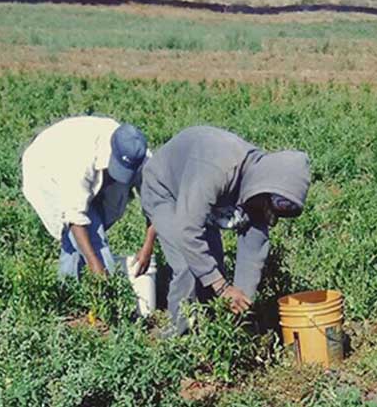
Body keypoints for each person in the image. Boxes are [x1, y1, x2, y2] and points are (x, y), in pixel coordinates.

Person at [140, 126, 310, 336]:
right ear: (266, 187)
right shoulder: (220, 169)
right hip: (165, 190)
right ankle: (178, 337)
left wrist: (239, 303)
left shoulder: (260, 190)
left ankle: (210, 326)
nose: (267, 212)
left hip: (196, 197)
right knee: (187, 265)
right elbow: (188, 231)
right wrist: (222, 288)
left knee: (212, 265)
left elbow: (252, 253)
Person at [21, 115, 156, 279]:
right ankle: (75, 293)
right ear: (111, 151)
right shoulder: (80, 160)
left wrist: (148, 247)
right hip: (46, 169)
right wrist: (96, 266)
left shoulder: (140, 154)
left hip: (85, 173)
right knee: (88, 237)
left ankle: (74, 289)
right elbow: (75, 217)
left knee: (87, 236)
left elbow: (156, 203)